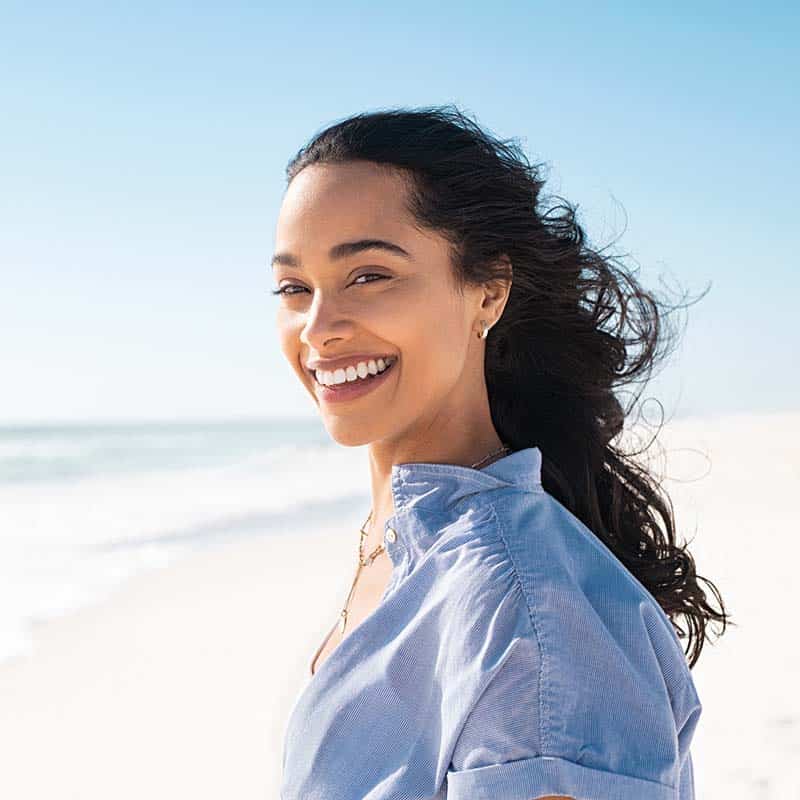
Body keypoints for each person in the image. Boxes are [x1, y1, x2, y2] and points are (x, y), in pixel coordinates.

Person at [272, 105, 730, 800]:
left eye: (369, 276)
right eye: (293, 288)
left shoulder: (531, 617)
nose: (320, 328)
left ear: (488, 289)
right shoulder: (401, 540)